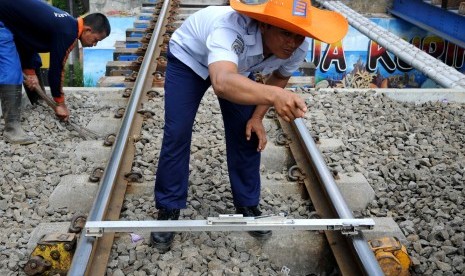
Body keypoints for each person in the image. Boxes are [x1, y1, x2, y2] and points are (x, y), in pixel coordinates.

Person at [151, 0, 348, 252]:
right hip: (190, 59)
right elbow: (222, 81)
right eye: (286, 33)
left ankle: (247, 204)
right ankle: (168, 208)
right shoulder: (230, 28)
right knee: (177, 132)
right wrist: (274, 97)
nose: (292, 42)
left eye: (299, 35)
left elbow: (279, 78)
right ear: (264, 25)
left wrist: (257, 117)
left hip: (237, 68)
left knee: (247, 132)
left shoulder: (298, 47)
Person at [0, 0, 111, 144]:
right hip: (3, 21)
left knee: (34, 61)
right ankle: (12, 129)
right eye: (96, 40)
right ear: (88, 30)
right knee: (11, 70)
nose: (94, 44)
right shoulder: (68, 32)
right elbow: (56, 71)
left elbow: (27, 38)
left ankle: (38, 101)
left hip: (12, 23)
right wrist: (60, 103)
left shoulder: (67, 23)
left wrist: (30, 71)